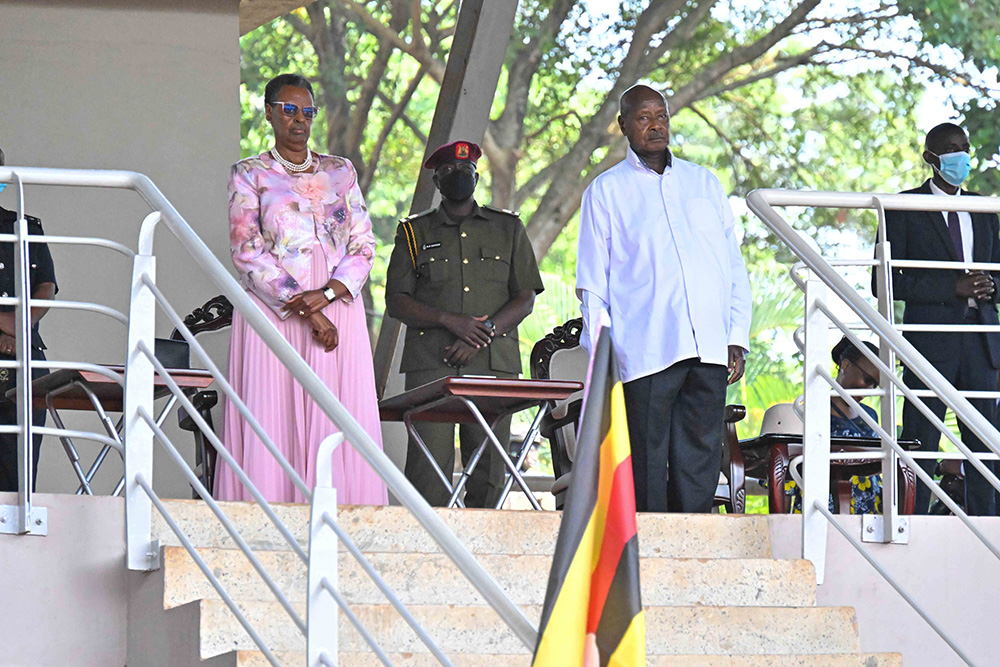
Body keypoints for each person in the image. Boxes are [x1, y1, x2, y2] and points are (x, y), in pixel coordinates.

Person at [576, 84, 752, 513]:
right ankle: (650, 554)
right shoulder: (606, 191)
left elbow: (732, 266)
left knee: (700, 458)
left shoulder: (704, 183)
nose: (655, 126)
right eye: (643, 117)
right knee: (647, 465)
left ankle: (693, 548)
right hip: (646, 349)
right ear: (623, 125)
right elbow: (592, 283)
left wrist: (736, 336)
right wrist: (602, 355)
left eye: (662, 116)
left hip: (709, 347)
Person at [214, 74, 387, 505]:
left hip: (338, 305)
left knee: (337, 412)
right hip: (279, 310)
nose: (299, 120)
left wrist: (328, 294)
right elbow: (247, 251)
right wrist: (308, 309)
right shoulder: (249, 174)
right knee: (276, 413)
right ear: (270, 112)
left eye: (307, 111)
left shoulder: (339, 171)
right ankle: (270, 510)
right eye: (289, 110)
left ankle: (345, 514)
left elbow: (364, 244)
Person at [384, 140, 544, 508]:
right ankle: (427, 550)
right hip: (431, 364)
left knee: (490, 469)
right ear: (437, 181)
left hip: (493, 363)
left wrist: (479, 336)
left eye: (466, 172)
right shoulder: (413, 232)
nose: (459, 177)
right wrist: (449, 320)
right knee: (429, 470)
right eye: (450, 173)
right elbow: (397, 300)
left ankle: (483, 555)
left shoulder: (508, 228)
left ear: (477, 176)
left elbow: (525, 297)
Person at [872, 122, 1000, 516]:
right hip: (930, 341)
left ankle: (987, 524)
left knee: (986, 442)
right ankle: (910, 520)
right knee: (920, 435)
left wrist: (988, 285)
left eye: (965, 146)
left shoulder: (986, 208)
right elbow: (885, 282)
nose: (961, 155)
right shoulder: (902, 206)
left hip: (982, 341)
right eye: (951, 149)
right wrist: (953, 288)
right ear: (931, 158)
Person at [0, 148, 57, 492]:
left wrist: (18, 331)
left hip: (25, 357)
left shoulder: (25, 227)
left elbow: (46, 288)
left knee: (18, 474)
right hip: (15, 343)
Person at [782, 337, 884, 514]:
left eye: (876, 385)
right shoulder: (811, 410)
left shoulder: (871, 416)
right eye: (867, 379)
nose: (871, 389)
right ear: (845, 365)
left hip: (868, 513)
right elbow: (786, 474)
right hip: (819, 510)